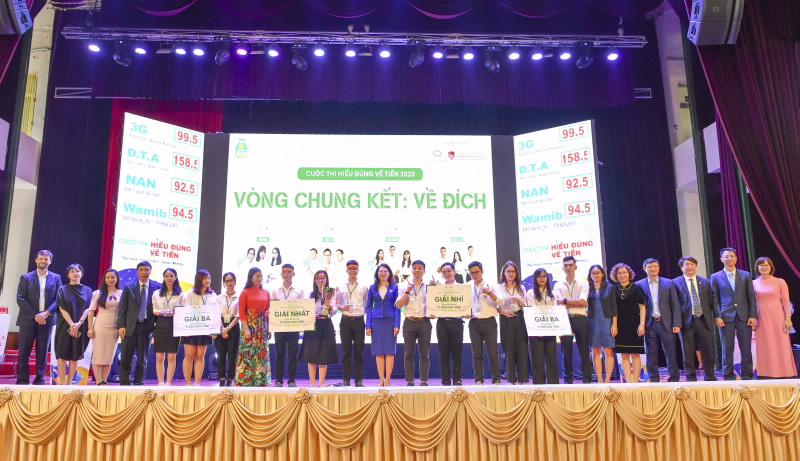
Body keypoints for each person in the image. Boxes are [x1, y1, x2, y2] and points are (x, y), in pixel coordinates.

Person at [16, 249, 62, 385]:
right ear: (36, 260)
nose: (43, 261)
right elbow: (20, 298)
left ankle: (39, 380)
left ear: (50, 261)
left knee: (42, 352)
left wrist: (46, 314)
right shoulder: (25, 277)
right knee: (24, 352)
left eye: (46, 259)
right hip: (27, 320)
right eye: (41, 258)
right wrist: (36, 315)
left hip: (47, 320)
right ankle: (22, 380)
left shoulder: (56, 278)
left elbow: (58, 298)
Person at [711, 248, 757, 380]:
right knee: (727, 348)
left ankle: (747, 375)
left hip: (744, 316)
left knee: (746, 347)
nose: (729, 259)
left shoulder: (745, 275)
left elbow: (751, 297)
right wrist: (717, 316)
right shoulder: (715, 276)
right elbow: (715, 299)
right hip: (725, 317)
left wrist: (753, 315)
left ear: (736, 258)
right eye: (726, 257)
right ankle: (728, 375)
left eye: (731, 256)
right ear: (721, 259)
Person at [635, 258, 681, 382]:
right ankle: (654, 377)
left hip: (667, 323)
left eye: (655, 266)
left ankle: (674, 377)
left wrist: (677, 323)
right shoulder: (639, 285)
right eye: (650, 267)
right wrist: (641, 324)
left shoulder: (668, 283)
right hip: (649, 323)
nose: (653, 269)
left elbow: (675, 304)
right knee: (651, 353)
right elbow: (638, 307)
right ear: (644, 269)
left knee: (671, 352)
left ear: (659, 268)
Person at [673, 256, 718, 381]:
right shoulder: (675, 282)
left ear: (696, 267)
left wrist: (716, 316)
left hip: (704, 320)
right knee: (687, 352)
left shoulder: (705, 281)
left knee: (708, 351)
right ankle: (691, 377)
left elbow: (711, 301)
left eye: (692, 264)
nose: (690, 267)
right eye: (687, 264)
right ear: (682, 267)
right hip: (686, 321)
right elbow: (675, 304)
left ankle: (710, 376)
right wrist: (676, 323)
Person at [117, 261, 161, 385]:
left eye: (146, 269)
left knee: (143, 358)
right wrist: (121, 325)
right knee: (126, 356)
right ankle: (124, 382)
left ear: (150, 271)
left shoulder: (157, 287)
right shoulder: (129, 286)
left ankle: (138, 382)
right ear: (137, 272)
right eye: (141, 270)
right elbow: (123, 308)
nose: (144, 272)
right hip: (130, 326)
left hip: (147, 326)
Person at [753, 257, 796, 379]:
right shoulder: (753, 283)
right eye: (761, 265)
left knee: (780, 344)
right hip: (761, 317)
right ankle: (766, 373)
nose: (764, 267)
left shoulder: (780, 282)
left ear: (771, 267)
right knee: (764, 345)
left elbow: (786, 301)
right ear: (757, 268)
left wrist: (788, 318)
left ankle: (785, 372)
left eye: (766, 265)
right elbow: (752, 302)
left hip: (778, 317)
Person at [553, 256, 591, 384]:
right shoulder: (558, 285)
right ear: (562, 268)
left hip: (581, 318)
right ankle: (568, 379)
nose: (568, 267)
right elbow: (558, 303)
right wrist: (576, 303)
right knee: (566, 351)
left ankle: (587, 379)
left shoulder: (583, 283)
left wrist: (565, 301)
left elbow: (583, 302)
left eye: (570, 265)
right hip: (564, 319)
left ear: (576, 266)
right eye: (566, 265)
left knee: (584, 350)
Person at [54, 264, 93, 385]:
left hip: (81, 326)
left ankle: (70, 383)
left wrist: (79, 323)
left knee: (75, 356)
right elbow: (62, 308)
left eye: (77, 271)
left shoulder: (88, 290)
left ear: (81, 274)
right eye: (72, 271)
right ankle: (62, 383)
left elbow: (88, 308)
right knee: (62, 355)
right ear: (68, 275)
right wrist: (72, 324)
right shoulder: (62, 289)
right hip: (64, 325)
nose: (75, 273)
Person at [430, 262, 467, 386]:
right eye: (444, 272)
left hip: (457, 322)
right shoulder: (438, 289)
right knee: (443, 353)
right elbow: (433, 305)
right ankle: (445, 380)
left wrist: (467, 312)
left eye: (449, 271)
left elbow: (466, 305)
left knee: (457, 353)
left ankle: (457, 379)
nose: (447, 274)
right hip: (442, 323)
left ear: (454, 272)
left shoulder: (462, 288)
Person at [396, 260, 432, 386]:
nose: (417, 270)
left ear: (424, 271)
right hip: (409, 322)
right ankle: (410, 381)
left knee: (424, 354)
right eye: (415, 268)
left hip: (424, 322)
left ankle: (424, 381)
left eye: (420, 268)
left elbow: (435, 305)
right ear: (411, 270)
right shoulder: (403, 285)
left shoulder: (429, 286)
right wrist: (407, 291)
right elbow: (398, 305)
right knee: (408, 353)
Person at [299, 270, 338, 387]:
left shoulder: (331, 293)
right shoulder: (310, 294)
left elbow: (334, 311)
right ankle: (312, 384)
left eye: (323, 278)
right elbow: (304, 309)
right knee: (311, 355)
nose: (320, 281)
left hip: (326, 324)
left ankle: (321, 384)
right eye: (318, 278)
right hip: (312, 324)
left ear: (326, 279)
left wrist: (329, 305)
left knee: (324, 355)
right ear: (315, 280)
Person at [610, 263, 647, 383]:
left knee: (635, 354)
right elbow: (613, 309)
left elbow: (642, 307)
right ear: (616, 275)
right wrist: (614, 325)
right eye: (619, 273)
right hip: (620, 325)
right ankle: (629, 381)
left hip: (635, 324)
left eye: (624, 272)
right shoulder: (614, 289)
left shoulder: (636, 288)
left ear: (629, 274)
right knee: (624, 354)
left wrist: (642, 324)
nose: (622, 275)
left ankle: (636, 380)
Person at [366, 263, 401, 386]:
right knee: (378, 351)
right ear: (377, 273)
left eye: (385, 271)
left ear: (389, 273)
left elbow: (398, 307)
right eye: (381, 271)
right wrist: (368, 325)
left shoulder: (395, 287)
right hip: (376, 321)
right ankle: (381, 379)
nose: (383, 273)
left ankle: (388, 380)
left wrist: (397, 324)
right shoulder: (372, 288)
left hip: (390, 321)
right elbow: (369, 307)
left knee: (390, 351)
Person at [467, 261, 501, 385]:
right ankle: (479, 380)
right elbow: (463, 304)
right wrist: (465, 313)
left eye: (477, 272)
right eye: (472, 273)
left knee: (492, 353)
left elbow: (501, 301)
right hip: (474, 322)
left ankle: (496, 379)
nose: (474, 275)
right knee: (477, 353)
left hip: (489, 321)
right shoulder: (467, 286)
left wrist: (490, 293)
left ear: (482, 271)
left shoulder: (490, 284)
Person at [271, 264, 305, 387]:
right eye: (284, 272)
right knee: (279, 354)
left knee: (292, 355)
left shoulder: (299, 291)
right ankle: (279, 380)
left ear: (293, 274)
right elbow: (271, 309)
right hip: (279, 327)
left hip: (293, 327)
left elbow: (303, 308)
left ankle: (291, 380)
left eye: (289, 272)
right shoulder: (275, 291)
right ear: (281, 274)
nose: (286, 274)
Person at [237, 267, 271, 386]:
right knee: (248, 353)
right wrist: (246, 329)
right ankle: (245, 380)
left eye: (261, 276)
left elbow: (267, 311)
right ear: (251, 277)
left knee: (261, 353)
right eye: (257, 276)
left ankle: (260, 380)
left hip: (262, 327)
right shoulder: (245, 292)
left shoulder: (266, 292)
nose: (260, 278)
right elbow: (242, 312)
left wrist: (269, 328)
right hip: (249, 326)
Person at [87, 268, 122, 385]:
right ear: (104, 279)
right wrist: (90, 328)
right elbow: (91, 311)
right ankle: (98, 381)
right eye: (108, 277)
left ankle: (104, 381)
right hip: (100, 327)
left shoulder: (121, 293)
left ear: (117, 279)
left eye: (113, 277)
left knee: (109, 355)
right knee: (98, 354)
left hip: (114, 328)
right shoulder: (98, 293)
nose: (110, 279)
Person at [497, 261, 529, 384]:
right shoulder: (499, 288)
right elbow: (494, 306)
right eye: (508, 271)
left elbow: (526, 306)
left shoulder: (521, 287)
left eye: (513, 271)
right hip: (506, 318)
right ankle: (511, 379)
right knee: (508, 349)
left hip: (519, 318)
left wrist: (519, 300)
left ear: (516, 273)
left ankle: (522, 379)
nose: (511, 274)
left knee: (522, 348)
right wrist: (502, 311)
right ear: (504, 273)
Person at [526, 268, 560, 384]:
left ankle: (553, 384)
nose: (542, 279)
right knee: (537, 359)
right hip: (536, 330)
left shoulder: (553, 293)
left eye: (544, 276)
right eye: (540, 276)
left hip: (550, 329)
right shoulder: (530, 293)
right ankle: (539, 385)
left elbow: (554, 310)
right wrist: (539, 327)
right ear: (535, 278)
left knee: (551, 358)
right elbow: (533, 310)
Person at [337, 260, 367, 387]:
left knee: (359, 352)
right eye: (350, 268)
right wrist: (341, 308)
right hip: (346, 320)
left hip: (359, 320)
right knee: (346, 352)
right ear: (346, 270)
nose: (353, 271)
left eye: (355, 269)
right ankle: (346, 380)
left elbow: (366, 303)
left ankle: (359, 380)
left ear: (358, 270)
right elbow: (337, 304)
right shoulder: (341, 286)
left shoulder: (364, 287)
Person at [152, 268, 184, 386]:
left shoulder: (180, 294)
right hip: (160, 325)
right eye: (166, 276)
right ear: (163, 278)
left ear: (176, 277)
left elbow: (183, 310)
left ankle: (169, 382)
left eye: (171, 276)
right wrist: (160, 312)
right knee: (159, 356)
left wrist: (174, 312)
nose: (169, 278)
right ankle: (160, 382)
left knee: (171, 356)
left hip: (174, 325)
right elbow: (153, 309)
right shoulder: (157, 293)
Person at [183, 270, 215, 385]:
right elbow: (186, 311)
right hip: (191, 328)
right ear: (199, 279)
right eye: (205, 278)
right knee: (189, 355)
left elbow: (215, 312)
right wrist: (185, 330)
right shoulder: (191, 293)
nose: (207, 280)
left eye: (209, 278)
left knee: (200, 356)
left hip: (205, 329)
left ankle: (197, 383)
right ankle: (188, 383)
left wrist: (213, 329)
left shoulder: (212, 295)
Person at [586, 265, 618, 383]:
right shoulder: (587, 288)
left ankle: (608, 379)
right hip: (592, 321)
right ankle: (599, 378)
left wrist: (614, 324)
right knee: (595, 350)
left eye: (598, 272)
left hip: (607, 321)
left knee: (608, 350)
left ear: (603, 274)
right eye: (593, 273)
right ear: (590, 275)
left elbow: (614, 307)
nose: (596, 275)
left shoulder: (610, 287)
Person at [215, 272, 240, 387]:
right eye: (227, 281)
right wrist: (222, 328)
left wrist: (228, 328)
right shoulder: (219, 297)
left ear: (235, 281)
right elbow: (216, 313)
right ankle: (221, 379)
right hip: (220, 325)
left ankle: (230, 379)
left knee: (232, 355)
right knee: (220, 355)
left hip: (233, 326)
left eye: (231, 280)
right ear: (224, 283)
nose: (229, 283)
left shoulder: (239, 297)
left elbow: (239, 316)